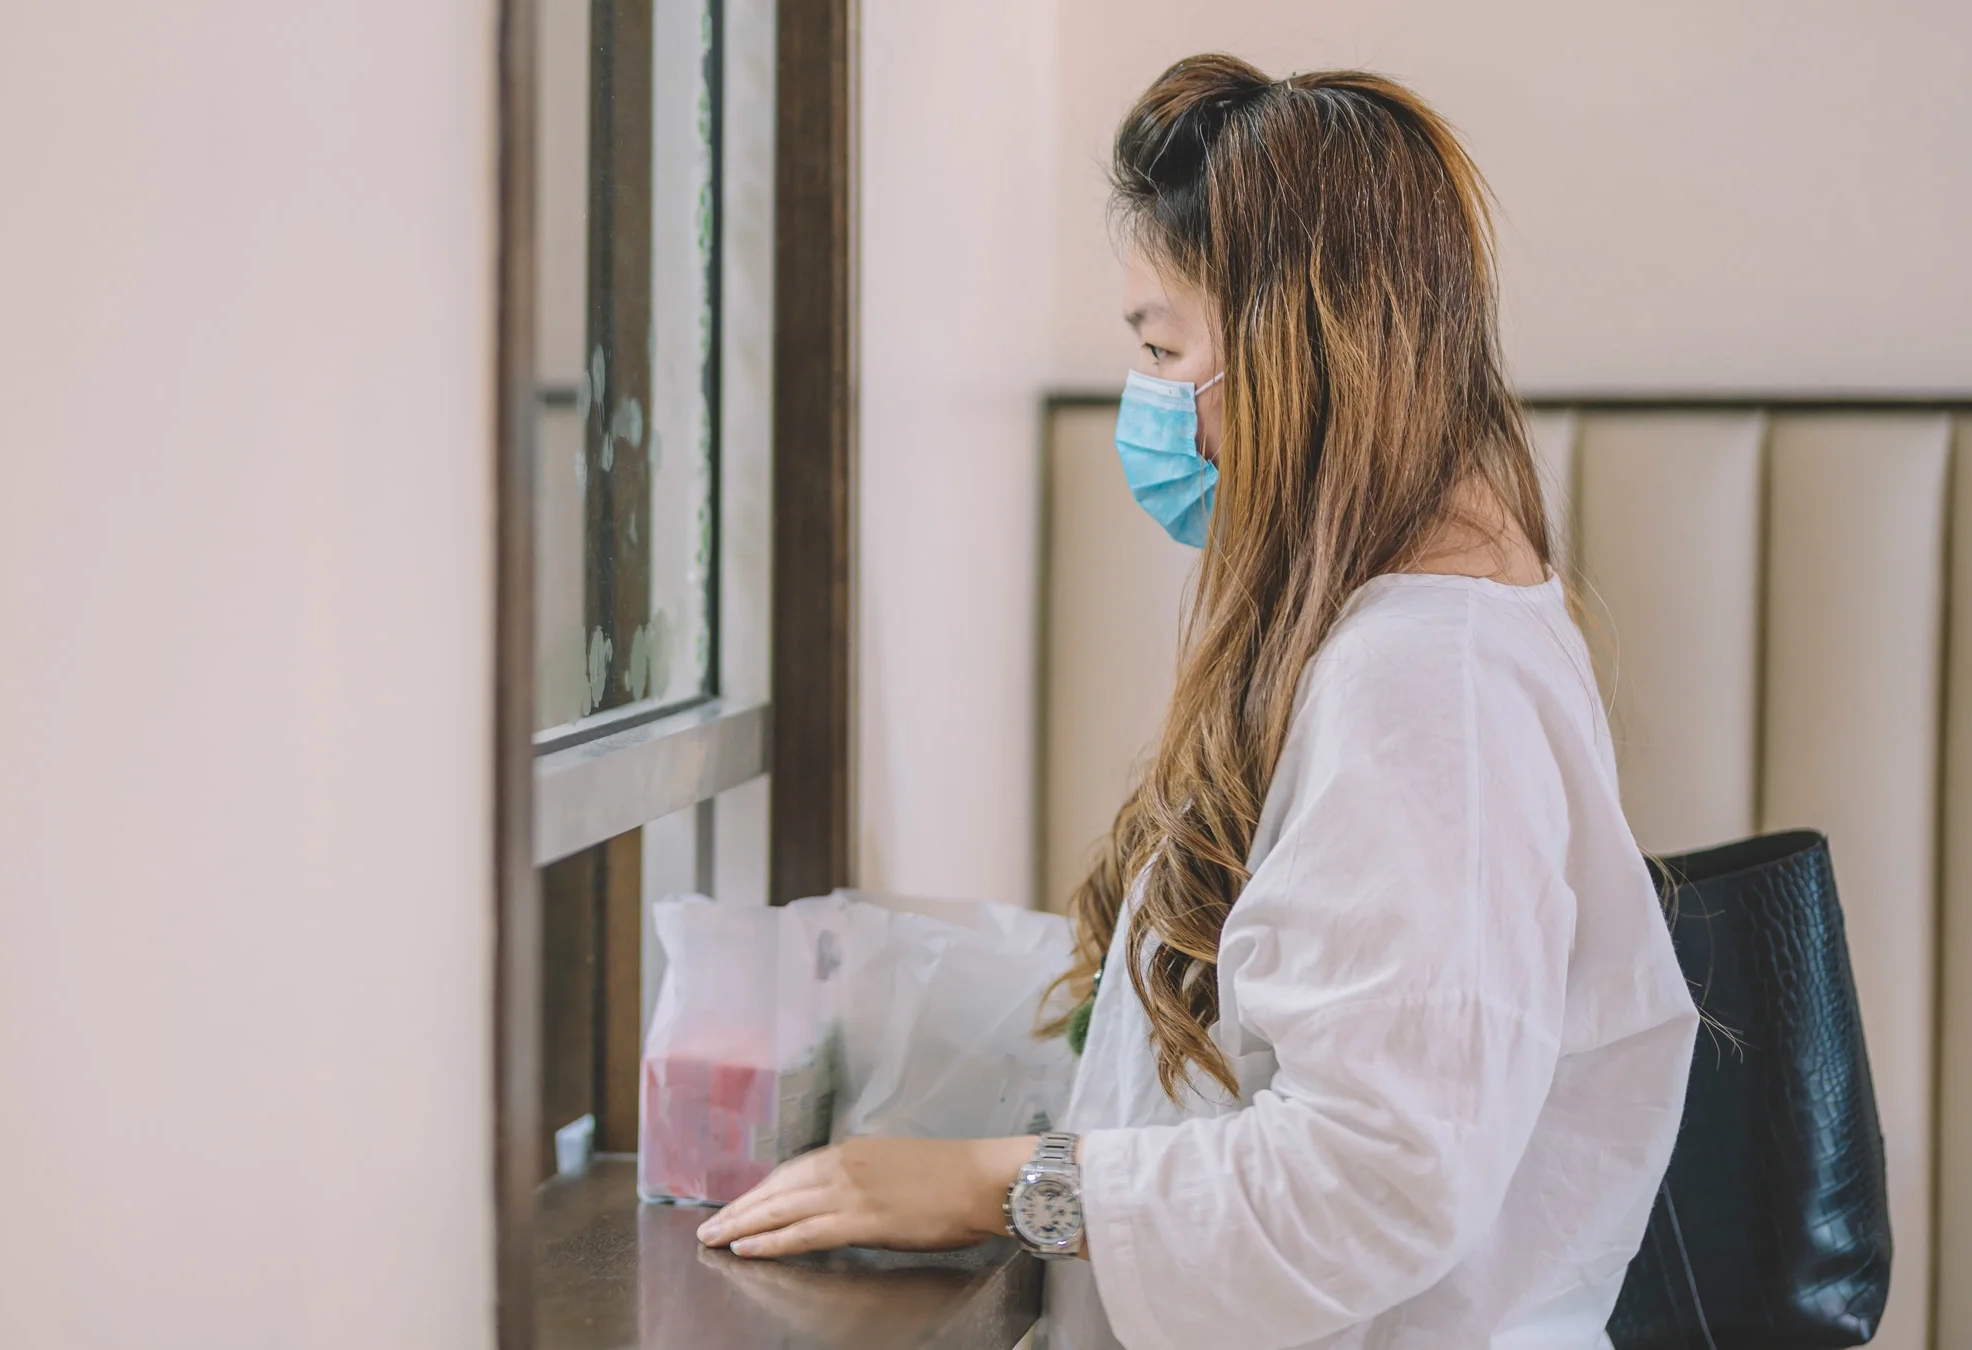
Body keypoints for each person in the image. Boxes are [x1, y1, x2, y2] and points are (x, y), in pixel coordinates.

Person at [696, 53, 1699, 1348]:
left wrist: (1003, 1183)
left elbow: (1377, 1176)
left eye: (1166, 349)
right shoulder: (1396, 640)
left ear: (1299, 349)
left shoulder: (1426, 693)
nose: (1153, 406)